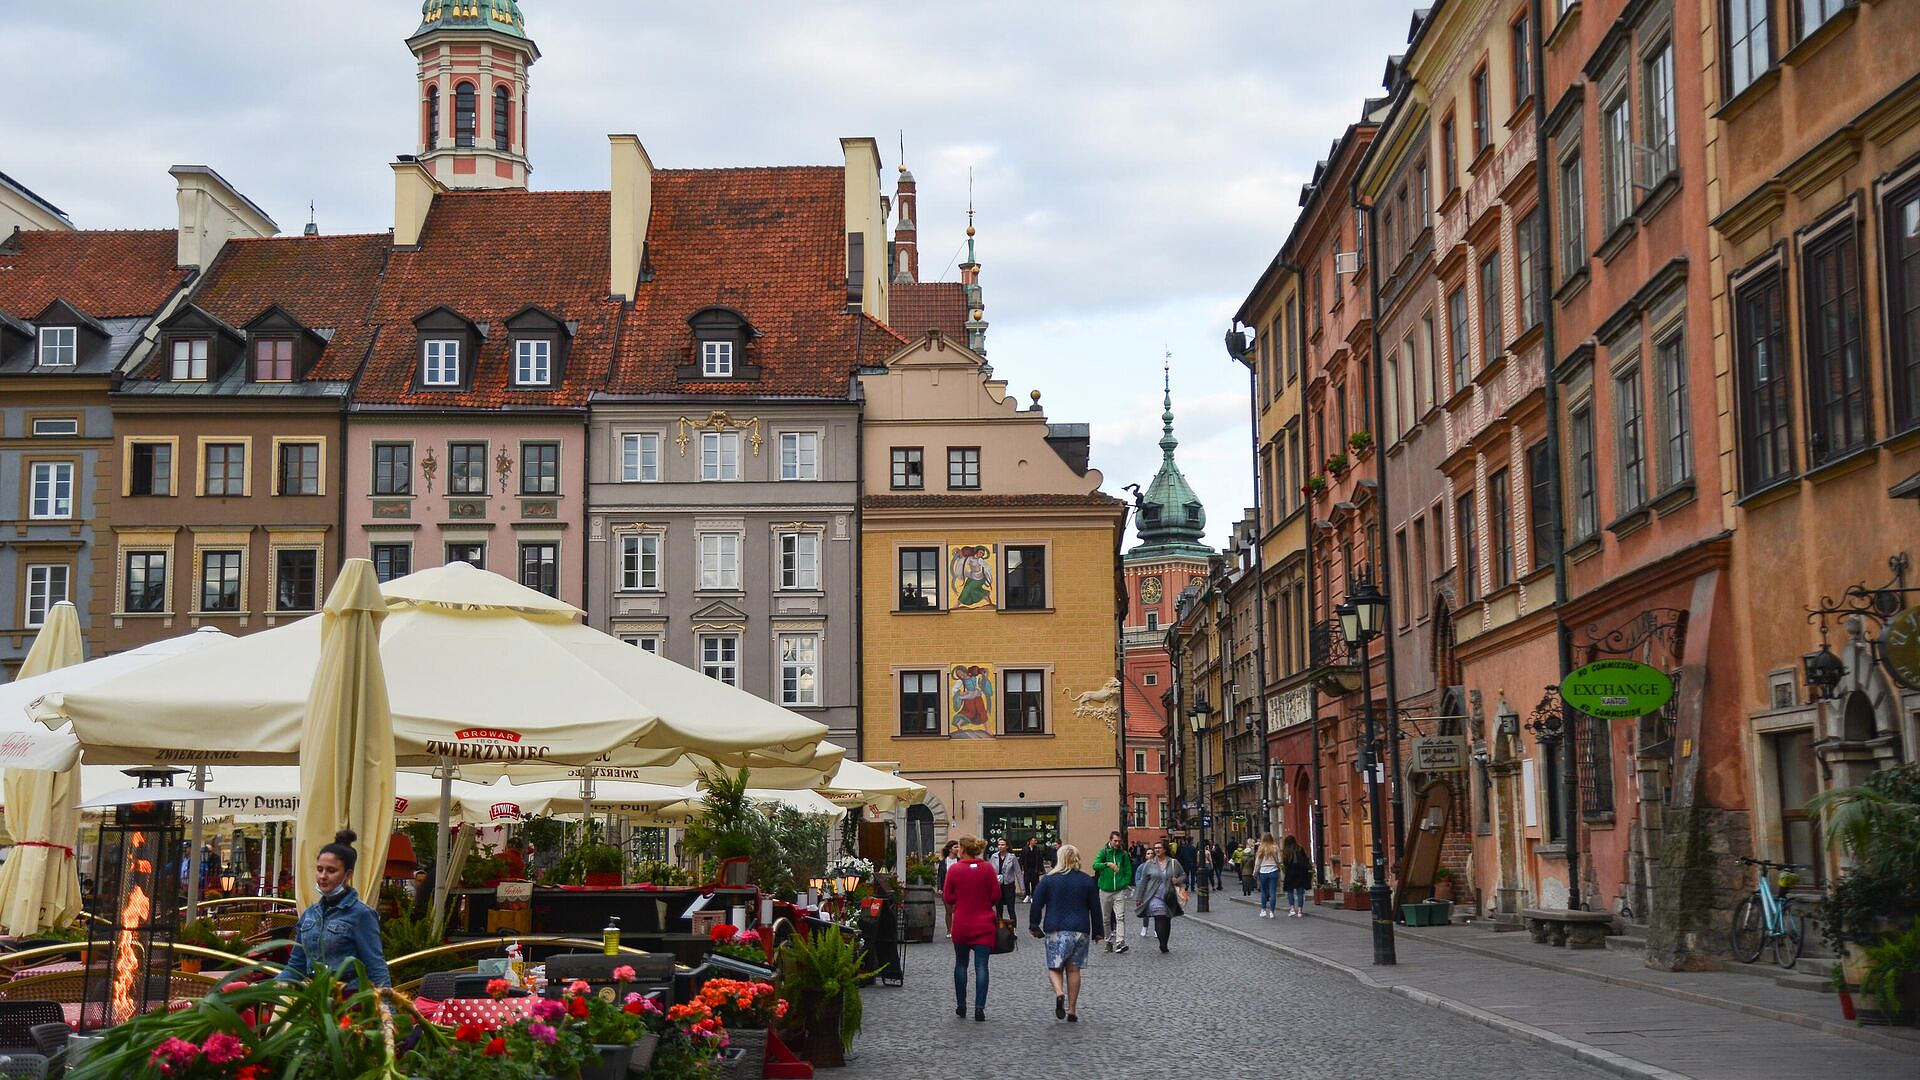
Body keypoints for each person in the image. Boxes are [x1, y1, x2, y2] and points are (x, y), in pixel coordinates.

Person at [280, 830, 390, 988]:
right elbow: (296, 966)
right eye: (319, 869)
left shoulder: (362, 914)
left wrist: (386, 1009)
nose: (323, 876)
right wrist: (268, 989)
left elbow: (376, 967)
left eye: (331, 871)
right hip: (315, 1000)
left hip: (349, 1001)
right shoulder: (309, 914)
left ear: (348, 874)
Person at [1028, 844, 1104, 1022]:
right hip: (1080, 929)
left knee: (1054, 967)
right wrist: (1098, 931)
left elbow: (1036, 903)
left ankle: (1059, 992)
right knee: (1073, 969)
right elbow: (1095, 908)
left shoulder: (1048, 880)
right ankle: (1072, 1010)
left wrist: (1034, 924)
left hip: (1056, 929)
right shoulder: (1087, 880)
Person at [942, 835, 999, 1021]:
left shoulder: (955, 869)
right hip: (984, 923)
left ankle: (961, 1006)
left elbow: (948, 897)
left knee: (961, 964)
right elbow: (996, 896)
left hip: (962, 923)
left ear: (963, 850)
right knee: (982, 966)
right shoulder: (988, 868)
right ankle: (979, 1007)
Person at [1133, 839, 1187, 954]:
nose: (1157, 850)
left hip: (1169, 896)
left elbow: (1183, 875)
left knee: (1166, 919)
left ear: (1165, 849)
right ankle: (1162, 944)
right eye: (1155, 848)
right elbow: (1143, 882)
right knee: (1159, 916)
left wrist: (1177, 880)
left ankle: (1164, 942)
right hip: (1154, 896)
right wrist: (1139, 897)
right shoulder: (1149, 864)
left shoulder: (1173, 862)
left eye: (1159, 848)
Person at [1091, 830, 1133, 954]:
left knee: (1120, 916)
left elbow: (1128, 870)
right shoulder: (1103, 852)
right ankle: (1108, 941)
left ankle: (1120, 942)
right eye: (1115, 841)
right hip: (1105, 889)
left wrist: (1124, 883)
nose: (1117, 843)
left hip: (1119, 890)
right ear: (1110, 840)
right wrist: (1107, 864)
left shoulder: (1124, 854)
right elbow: (1095, 865)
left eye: (1119, 841)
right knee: (1106, 918)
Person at [1281, 834, 1313, 918]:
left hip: (1290, 873)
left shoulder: (1286, 851)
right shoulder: (1300, 848)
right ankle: (1300, 910)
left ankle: (1292, 909)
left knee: (1290, 891)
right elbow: (1305, 859)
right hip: (1300, 873)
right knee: (1300, 892)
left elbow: (1285, 863)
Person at [934, 840, 961, 937]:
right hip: (946, 888)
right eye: (955, 847)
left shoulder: (960, 861)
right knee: (948, 911)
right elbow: (940, 876)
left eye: (958, 847)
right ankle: (949, 930)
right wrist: (940, 888)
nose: (957, 849)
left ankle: (958, 929)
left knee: (957, 910)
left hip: (958, 889)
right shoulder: (943, 862)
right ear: (950, 849)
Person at [990, 839, 1020, 920]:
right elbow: (990, 871)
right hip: (998, 885)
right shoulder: (994, 856)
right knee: (999, 909)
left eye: (1003, 845)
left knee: (1011, 909)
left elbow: (1018, 872)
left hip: (1008, 885)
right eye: (999, 844)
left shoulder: (1012, 857)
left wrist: (1022, 888)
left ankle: (1013, 929)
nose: (1000, 846)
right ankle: (1000, 928)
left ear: (1007, 846)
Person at [1253, 834, 1282, 918]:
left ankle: (1263, 910)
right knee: (1273, 892)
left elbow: (1257, 862)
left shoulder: (1261, 848)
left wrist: (1255, 872)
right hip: (1273, 871)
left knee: (1264, 892)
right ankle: (1272, 912)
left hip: (1263, 871)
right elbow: (1279, 860)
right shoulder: (1275, 847)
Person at [1018, 837, 1048, 901]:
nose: (1035, 842)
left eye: (1035, 841)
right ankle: (1027, 895)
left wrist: (1041, 869)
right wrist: (1020, 868)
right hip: (1027, 868)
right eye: (1034, 840)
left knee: (1034, 883)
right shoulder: (1025, 849)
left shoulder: (1037, 849)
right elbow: (1021, 859)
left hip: (1035, 868)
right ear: (1030, 841)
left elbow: (1040, 859)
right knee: (1026, 882)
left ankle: (1033, 896)